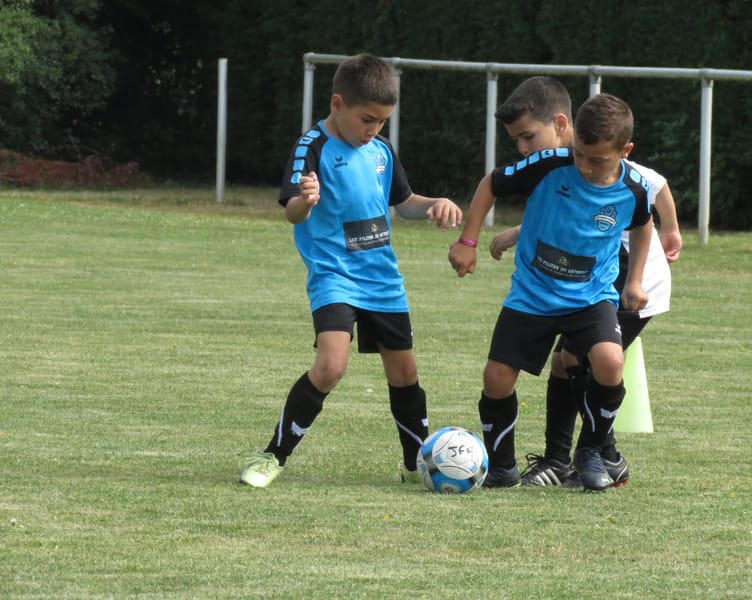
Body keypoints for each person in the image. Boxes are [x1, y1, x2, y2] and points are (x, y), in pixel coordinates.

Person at [239, 53, 462, 488]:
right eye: (367, 120)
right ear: (337, 104)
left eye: (382, 122)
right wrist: (307, 198)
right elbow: (293, 214)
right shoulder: (312, 147)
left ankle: (413, 464)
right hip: (335, 275)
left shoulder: (380, 150)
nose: (373, 130)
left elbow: (404, 201)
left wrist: (433, 203)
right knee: (331, 366)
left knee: (405, 374)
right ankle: (271, 456)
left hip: (383, 279)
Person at [449, 93, 653, 491]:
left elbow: (644, 223)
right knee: (497, 377)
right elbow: (491, 183)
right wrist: (468, 242)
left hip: (591, 297)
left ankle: (592, 451)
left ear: (624, 150)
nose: (584, 166)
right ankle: (502, 467)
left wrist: (635, 280)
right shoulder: (549, 164)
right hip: (532, 294)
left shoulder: (634, 187)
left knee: (609, 362)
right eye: (579, 154)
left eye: (597, 160)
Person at [488, 77, 682, 488]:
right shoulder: (574, 160)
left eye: (528, 138)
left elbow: (657, 185)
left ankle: (601, 456)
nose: (523, 149)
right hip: (588, 282)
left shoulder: (609, 157)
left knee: (582, 362)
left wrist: (672, 232)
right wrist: (516, 233)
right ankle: (570, 458)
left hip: (634, 281)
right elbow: (561, 218)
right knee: (568, 362)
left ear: (559, 125)